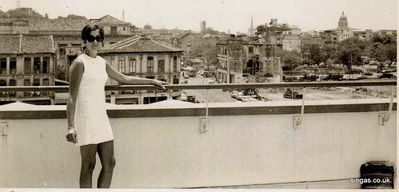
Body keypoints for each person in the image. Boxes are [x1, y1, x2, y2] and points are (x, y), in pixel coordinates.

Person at [66, 24, 166, 188]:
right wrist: (70, 126)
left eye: (98, 38)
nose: (95, 42)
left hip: (100, 117)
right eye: (91, 38)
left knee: (110, 163)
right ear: (84, 41)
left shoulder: (102, 63)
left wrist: (151, 81)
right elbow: (71, 97)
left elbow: (124, 79)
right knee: (89, 165)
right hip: (85, 118)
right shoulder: (79, 63)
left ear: (102, 41)